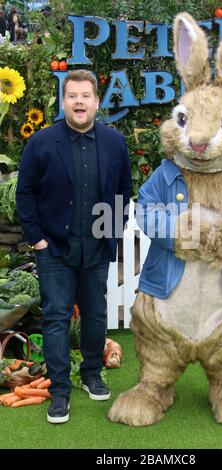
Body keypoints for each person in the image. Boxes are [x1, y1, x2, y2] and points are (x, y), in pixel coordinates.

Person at [16, 69, 132, 424]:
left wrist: (111, 233)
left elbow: (122, 192)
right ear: (63, 101)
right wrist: (37, 239)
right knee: (55, 318)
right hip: (54, 248)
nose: (79, 101)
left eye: (86, 95)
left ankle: (92, 374)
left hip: (96, 247)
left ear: (97, 102)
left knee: (96, 316)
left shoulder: (114, 142)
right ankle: (60, 390)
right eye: (73, 96)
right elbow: (25, 194)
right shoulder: (41, 142)